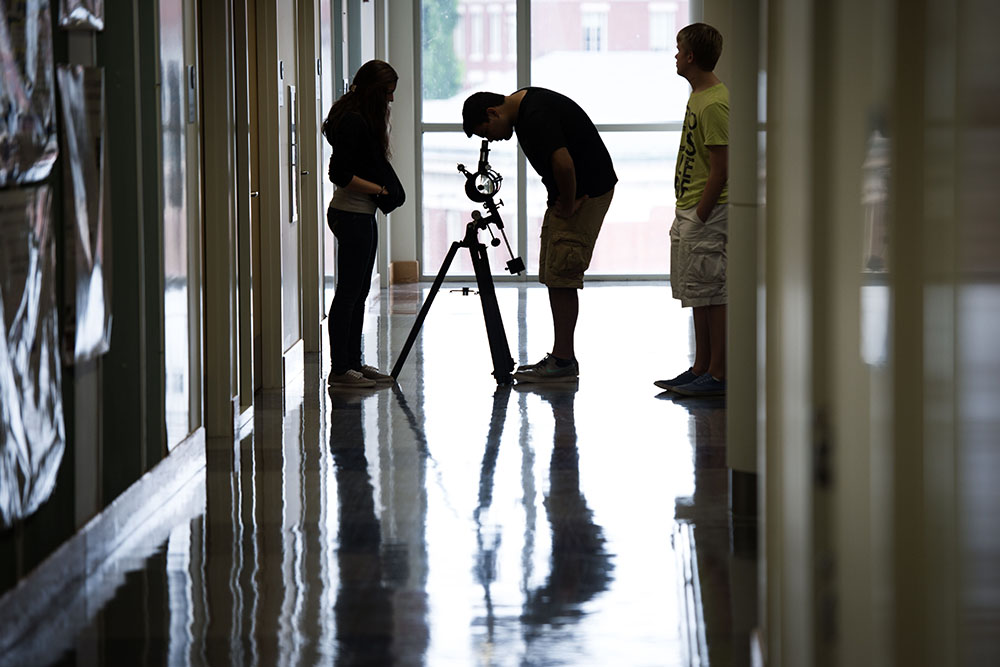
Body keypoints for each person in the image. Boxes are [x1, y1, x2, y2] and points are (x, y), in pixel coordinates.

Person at [462, 88, 617, 383]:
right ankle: (561, 358)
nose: (491, 139)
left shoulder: (534, 115)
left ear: (493, 113)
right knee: (553, 272)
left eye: (487, 131)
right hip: (576, 194)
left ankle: (563, 362)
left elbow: (564, 164)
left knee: (562, 273)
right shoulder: (526, 107)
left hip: (585, 194)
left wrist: (569, 203)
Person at [655, 23, 729, 398]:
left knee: (714, 291)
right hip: (691, 208)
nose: (675, 55)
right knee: (699, 291)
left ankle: (718, 374)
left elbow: (721, 167)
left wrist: (701, 212)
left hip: (707, 212)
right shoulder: (698, 96)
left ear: (691, 57)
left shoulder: (715, 102)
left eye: (678, 49)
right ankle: (701, 367)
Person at [323, 60, 402, 388]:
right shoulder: (353, 122)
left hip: (360, 215)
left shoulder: (355, 118)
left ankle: (353, 363)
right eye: (387, 93)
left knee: (359, 291)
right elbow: (339, 174)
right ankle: (341, 370)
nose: (391, 100)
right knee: (349, 293)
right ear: (373, 90)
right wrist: (381, 190)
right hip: (351, 213)